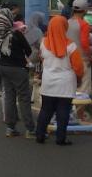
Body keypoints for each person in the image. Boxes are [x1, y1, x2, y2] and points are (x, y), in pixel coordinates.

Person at [36, 16, 84, 146]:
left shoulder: (43, 42)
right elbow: (78, 67)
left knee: (46, 109)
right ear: (64, 27)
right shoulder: (71, 46)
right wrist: (79, 78)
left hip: (48, 81)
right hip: (66, 82)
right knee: (63, 110)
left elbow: (42, 59)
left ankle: (39, 135)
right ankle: (60, 138)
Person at [0, 20, 35, 138]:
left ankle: (10, 128)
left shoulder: (0, 34)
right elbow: (28, 50)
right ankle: (30, 129)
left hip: (3, 67)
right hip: (18, 69)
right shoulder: (17, 34)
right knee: (24, 98)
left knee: (9, 97)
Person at [67, 0, 91, 96]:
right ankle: (80, 111)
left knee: (70, 88)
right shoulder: (84, 24)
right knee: (83, 89)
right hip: (82, 60)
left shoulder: (66, 22)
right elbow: (84, 43)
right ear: (85, 10)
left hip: (68, 60)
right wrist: (89, 57)